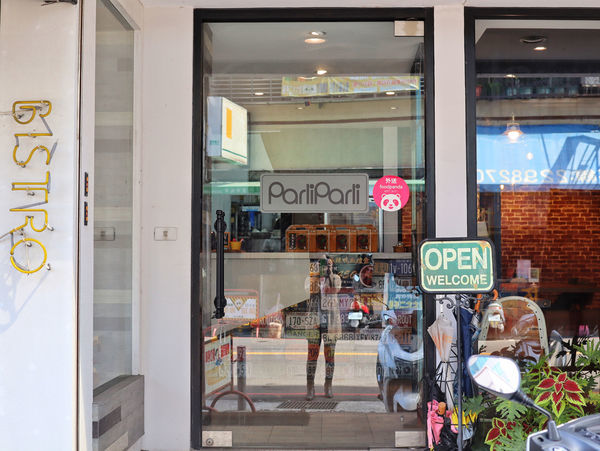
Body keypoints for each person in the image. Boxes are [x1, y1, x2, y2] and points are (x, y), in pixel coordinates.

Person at [306, 257, 342, 400]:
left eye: (327, 264)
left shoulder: (336, 278)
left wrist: (330, 274)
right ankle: (310, 386)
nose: (324, 267)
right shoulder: (311, 279)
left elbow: (336, 289)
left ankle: (328, 385)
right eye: (321, 264)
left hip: (330, 323)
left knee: (330, 356)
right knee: (312, 356)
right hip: (314, 323)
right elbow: (307, 290)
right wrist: (316, 275)